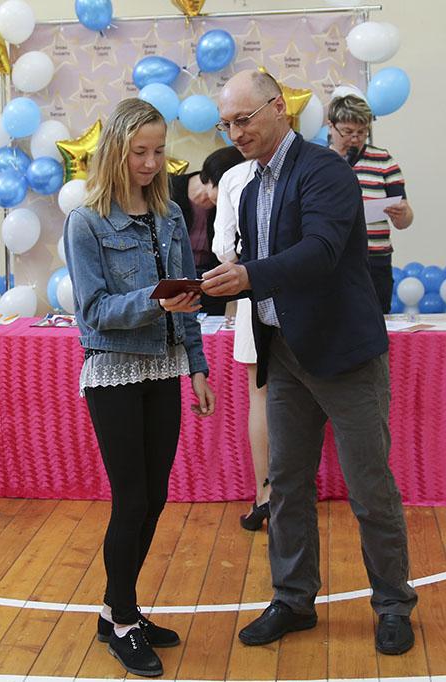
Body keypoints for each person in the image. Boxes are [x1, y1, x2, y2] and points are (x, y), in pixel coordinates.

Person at [202, 70, 418, 656]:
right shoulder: (248, 188)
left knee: (369, 486)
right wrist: (209, 287)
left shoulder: (325, 171)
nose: (234, 133)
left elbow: (321, 252)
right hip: (285, 352)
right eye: (226, 124)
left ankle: (393, 604)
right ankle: (293, 599)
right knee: (286, 485)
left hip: (343, 355)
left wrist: (248, 277)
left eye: (243, 119)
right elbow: (257, 270)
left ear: (279, 108)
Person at [63, 98, 216, 677]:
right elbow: (93, 312)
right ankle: (124, 621)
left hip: (165, 368)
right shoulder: (86, 221)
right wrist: (155, 302)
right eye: (139, 152)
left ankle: (115, 612)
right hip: (114, 372)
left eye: (158, 151)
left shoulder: (170, 215)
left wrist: (197, 365)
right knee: (131, 499)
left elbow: (188, 299)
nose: (151, 164)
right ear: (115, 151)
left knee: (154, 497)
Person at [210, 156, 270, 530]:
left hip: (254, 287)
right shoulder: (312, 166)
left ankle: (266, 495)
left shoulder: (234, 176)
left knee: (261, 396)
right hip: (301, 292)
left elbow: (224, 249)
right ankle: (289, 494)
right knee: (299, 398)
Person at [327, 95, 413, 313]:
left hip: (375, 260)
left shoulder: (384, 160)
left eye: (362, 132)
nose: (355, 139)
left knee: (377, 319)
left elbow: (404, 221)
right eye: (347, 132)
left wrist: (402, 214)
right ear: (331, 126)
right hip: (332, 259)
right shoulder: (318, 161)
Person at [169, 147, 242, 314]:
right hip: (171, 286)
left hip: (210, 288)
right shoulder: (169, 191)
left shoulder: (230, 208)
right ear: (211, 179)